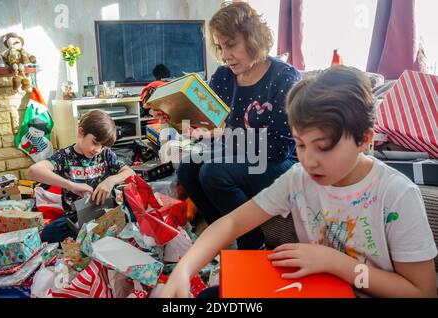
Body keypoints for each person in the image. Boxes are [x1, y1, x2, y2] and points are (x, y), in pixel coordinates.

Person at [160, 65, 437, 298]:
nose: (309, 160)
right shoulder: (300, 178)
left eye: (324, 147)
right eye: (300, 145)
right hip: (311, 288)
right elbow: (232, 222)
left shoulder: (397, 195)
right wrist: (185, 268)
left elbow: (422, 292)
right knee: (211, 297)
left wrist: (335, 264)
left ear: (364, 139)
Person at [145, 2, 301, 250]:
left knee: (213, 172)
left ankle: (253, 241)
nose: (225, 54)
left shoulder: (284, 77)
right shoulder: (224, 76)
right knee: (188, 168)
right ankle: (225, 233)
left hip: (279, 160)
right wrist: (172, 112)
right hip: (239, 151)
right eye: (220, 46)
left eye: (231, 44)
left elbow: (279, 148)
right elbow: (204, 119)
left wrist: (222, 134)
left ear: (253, 39)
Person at [28, 110, 135, 243]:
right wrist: (71, 185)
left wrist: (110, 180)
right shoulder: (65, 156)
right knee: (48, 234)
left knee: (135, 215)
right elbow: (34, 171)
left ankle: (99, 236)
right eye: (95, 143)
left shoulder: (106, 154)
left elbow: (130, 172)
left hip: (106, 211)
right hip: (77, 217)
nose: (98, 150)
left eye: (102, 146)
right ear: (80, 132)